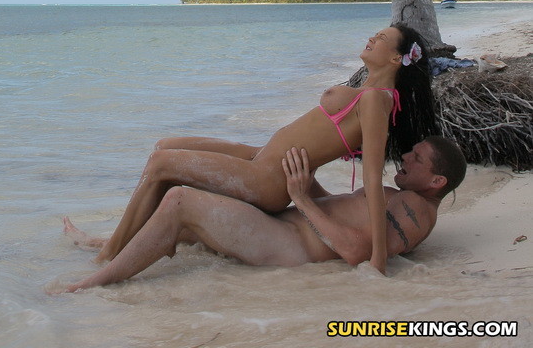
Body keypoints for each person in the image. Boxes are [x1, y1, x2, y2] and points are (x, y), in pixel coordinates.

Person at [76, 24, 437, 275]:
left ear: (396, 60)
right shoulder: (368, 92)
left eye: (382, 38)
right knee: (166, 146)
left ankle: (109, 253)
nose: (372, 38)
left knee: (160, 163)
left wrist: (378, 261)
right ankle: (128, 237)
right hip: (259, 157)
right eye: (375, 33)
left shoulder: (377, 100)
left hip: (267, 179)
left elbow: (373, 178)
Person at [54, 136, 466, 291]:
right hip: (281, 227)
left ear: (437, 183)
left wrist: (301, 201)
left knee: (181, 200)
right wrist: (308, 179)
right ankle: (105, 244)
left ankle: (93, 282)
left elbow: (359, 251)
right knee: (190, 207)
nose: (406, 158)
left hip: (288, 246)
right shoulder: (401, 195)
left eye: (418, 159)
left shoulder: (416, 213)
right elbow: (343, 213)